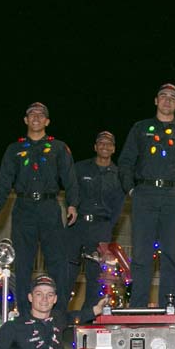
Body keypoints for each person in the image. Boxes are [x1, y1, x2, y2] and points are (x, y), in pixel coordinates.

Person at [118, 83, 175, 309]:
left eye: (172, 98)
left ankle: (169, 307)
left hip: (174, 195)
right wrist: (132, 190)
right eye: (163, 96)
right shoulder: (140, 128)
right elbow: (125, 162)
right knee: (142, 254)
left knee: (172, 253)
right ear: (156, 100)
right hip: (144, 194)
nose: (167, 100)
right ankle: (138, 306)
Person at [0, 102, 79, 302]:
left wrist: (73, 204)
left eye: (41, 115)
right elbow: (4, 180)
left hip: (49, 208)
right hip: (23, 208)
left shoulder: (58, 147)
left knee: (57, 261)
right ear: (26, 120)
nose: (36, 117)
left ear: (47, 121)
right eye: (32, 114)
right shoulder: (15, 149)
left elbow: (70, 178)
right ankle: (23, 309)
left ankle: (58, 310)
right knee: (22, 263)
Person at [66, 131, 126, 314]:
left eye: (108, 144)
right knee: (67, 272)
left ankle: (88, 317)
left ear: (114, 149)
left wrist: (107, 227)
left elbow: (119, 205)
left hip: (101, 229)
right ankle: (58, 315)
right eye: (101, 143)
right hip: (77, 227)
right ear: (95, 147)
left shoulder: (118, 174)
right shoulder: (79, 168)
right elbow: (71, 193)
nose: (104, 146)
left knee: (95, 277)